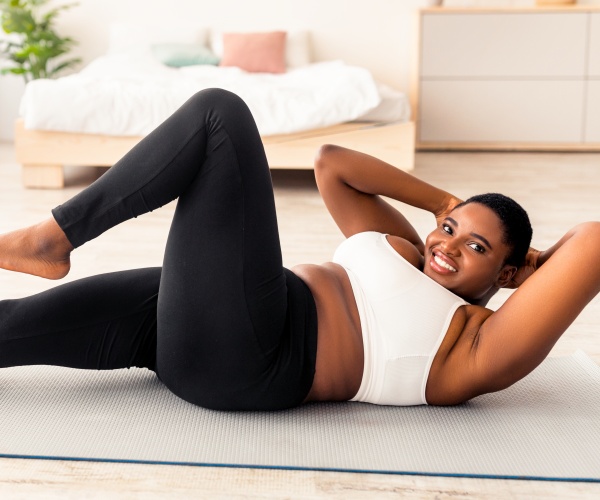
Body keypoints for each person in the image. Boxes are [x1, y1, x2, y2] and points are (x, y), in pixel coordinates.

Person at [0, 88, 599, 411]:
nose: (446, 248)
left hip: (252, 356)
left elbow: (592, 242)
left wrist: (532, 269)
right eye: (449, 230)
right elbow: (334, 165)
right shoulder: (406, 248)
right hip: (204, 318)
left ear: (511, 270)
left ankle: (53, 236)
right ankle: (48, 245)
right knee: (16, 326)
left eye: (475, 247)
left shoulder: (477, 344)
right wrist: (445, 202)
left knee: (219, 118)